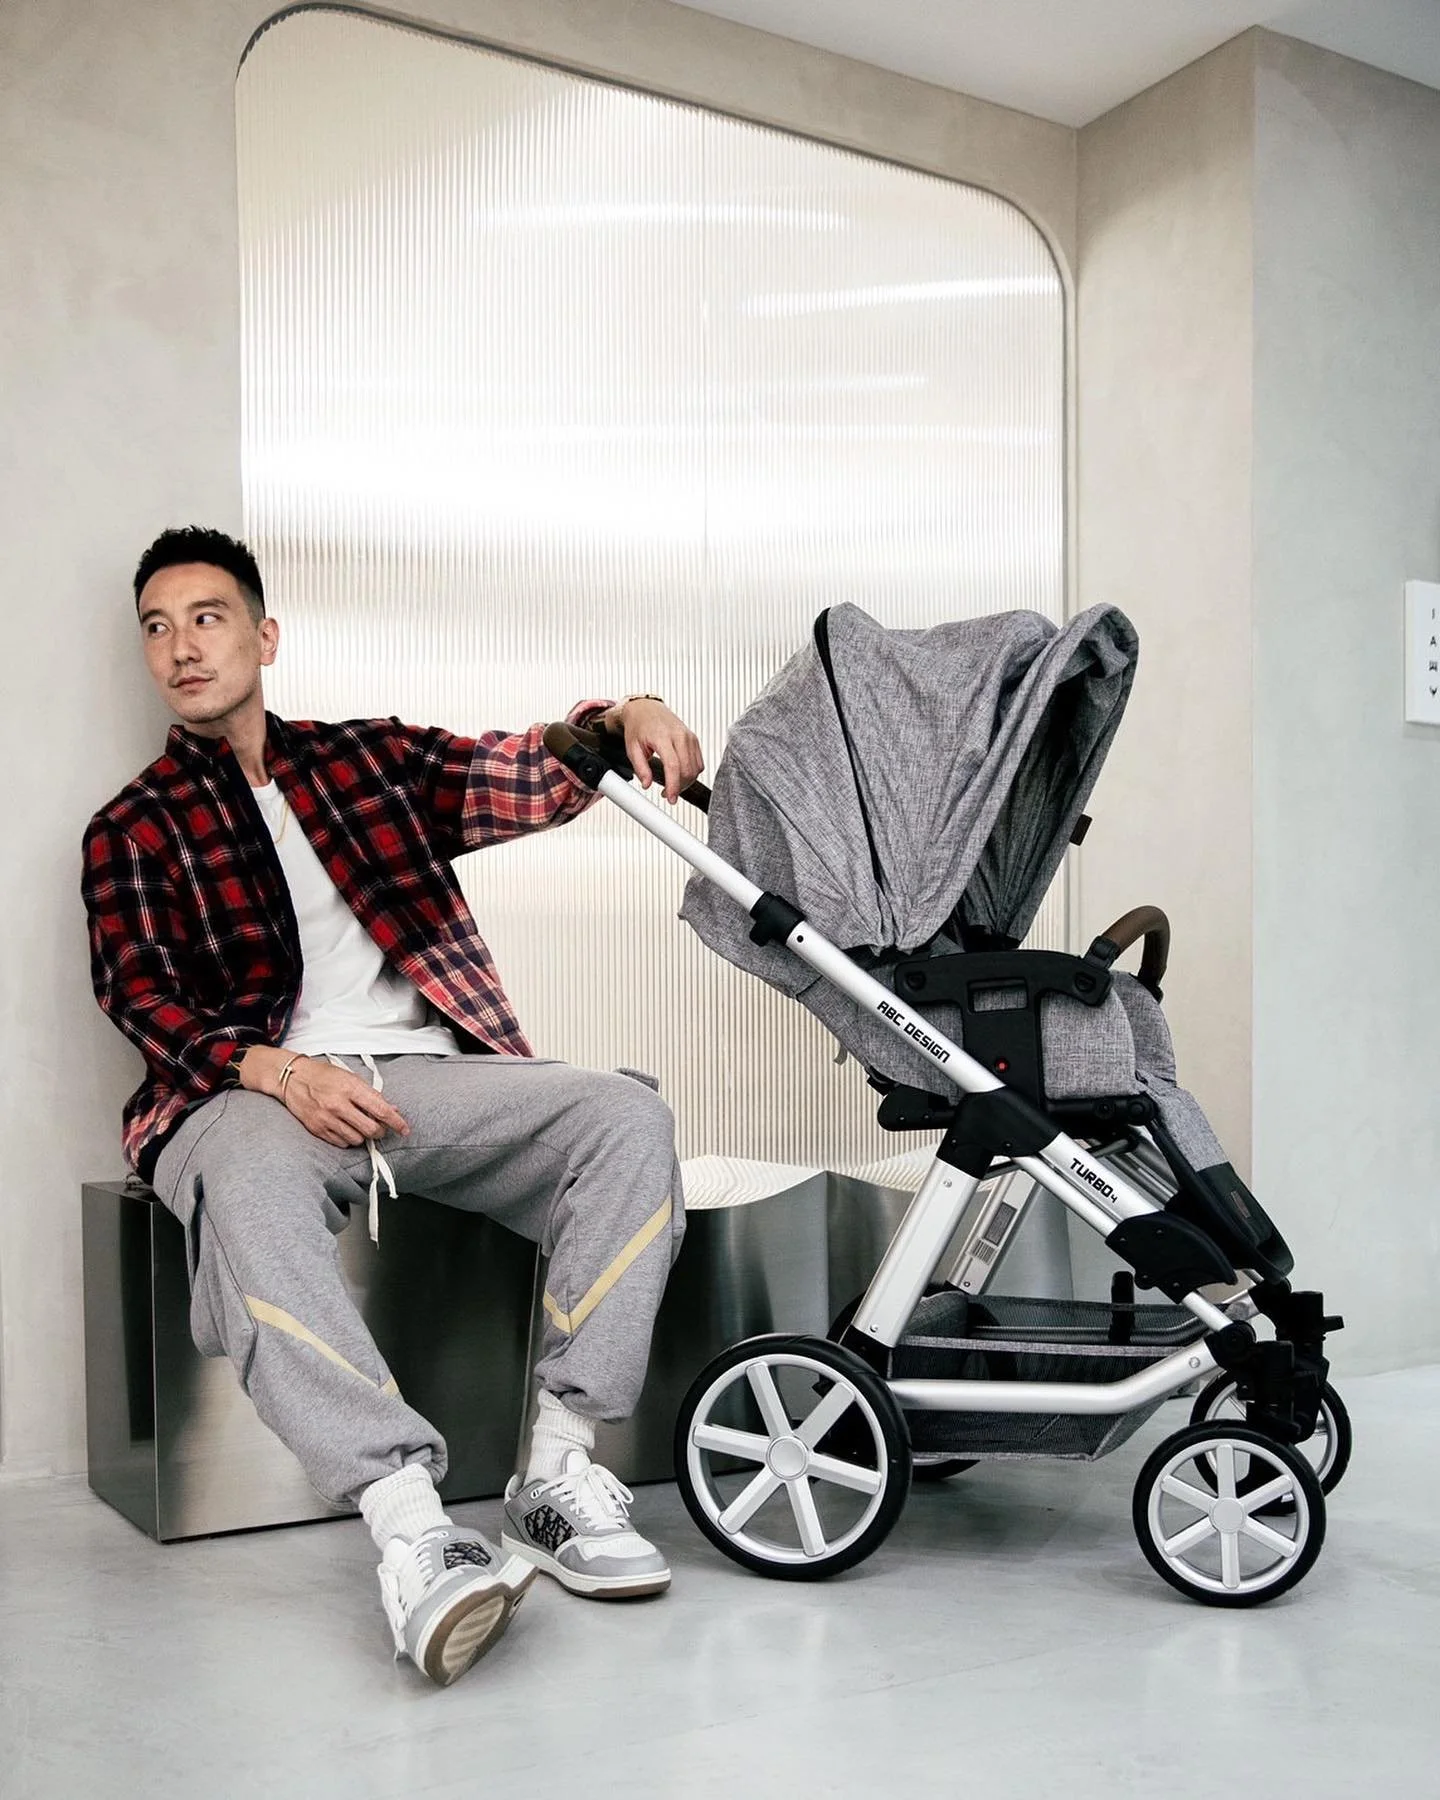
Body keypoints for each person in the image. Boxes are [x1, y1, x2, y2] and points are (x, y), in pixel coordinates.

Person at [82, 525, 703, 1686]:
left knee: (624, 1117)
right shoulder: (134, 827)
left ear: (265, 636)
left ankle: (557, 1475)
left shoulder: (367, 761)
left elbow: (530, 773)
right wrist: (281, 1072)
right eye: (157, 629)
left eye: (207, 618)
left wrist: (629, 712)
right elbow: (139, 993)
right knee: (245, 1180)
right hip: (247, 1091)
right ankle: (412, 1527)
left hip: (423, 1080)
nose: (181, 647)